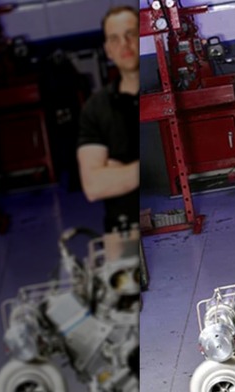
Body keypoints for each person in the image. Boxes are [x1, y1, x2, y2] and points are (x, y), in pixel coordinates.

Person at [77, 5, 140, 233]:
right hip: (121, 232)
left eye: (131, 34)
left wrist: (117, 170)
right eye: (114, 39)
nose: (124, 44)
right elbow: (93, 186)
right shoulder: (96, 108)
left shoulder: (158, 92)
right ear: (107, 50)